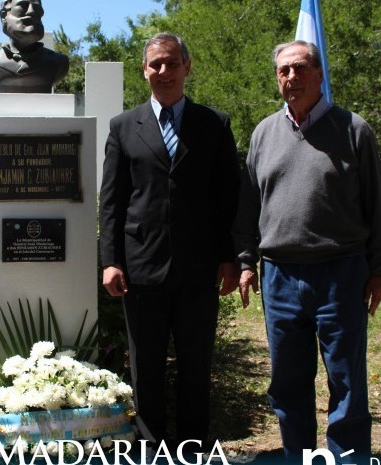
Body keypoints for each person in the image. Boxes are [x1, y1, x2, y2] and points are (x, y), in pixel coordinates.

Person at [233, 40, 381, 462]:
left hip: (341, 273)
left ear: (319, 74)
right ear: (277, 78)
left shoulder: (354, 129)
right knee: (287, 381)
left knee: (346, 379)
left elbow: (377, 205)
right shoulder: (264, 133)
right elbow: (250, 205)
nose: (292, 78)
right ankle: (298, 455)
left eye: (301, 68)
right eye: (284, 71)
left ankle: (348, 457)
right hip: (280, 276)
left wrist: (379, 269)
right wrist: (247, 262)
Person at [99, 32, 240, 452]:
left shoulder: (214, 124)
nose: (163, 71)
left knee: (197, 366)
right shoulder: (123, 127)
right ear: (144, 70)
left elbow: (228, 195)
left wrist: (230, 257)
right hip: (141, 268)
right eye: (155, 64)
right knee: (146, 369)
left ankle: (194, 450)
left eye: (172, 63)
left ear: (187, 67)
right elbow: (113, 200)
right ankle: (152, 450)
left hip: (199, 268)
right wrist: (111, 260)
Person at [0, 0, 69, 93]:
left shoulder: (59, 63)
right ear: (4, 15)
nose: (31, 11)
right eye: (23, 5)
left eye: (37, 8)